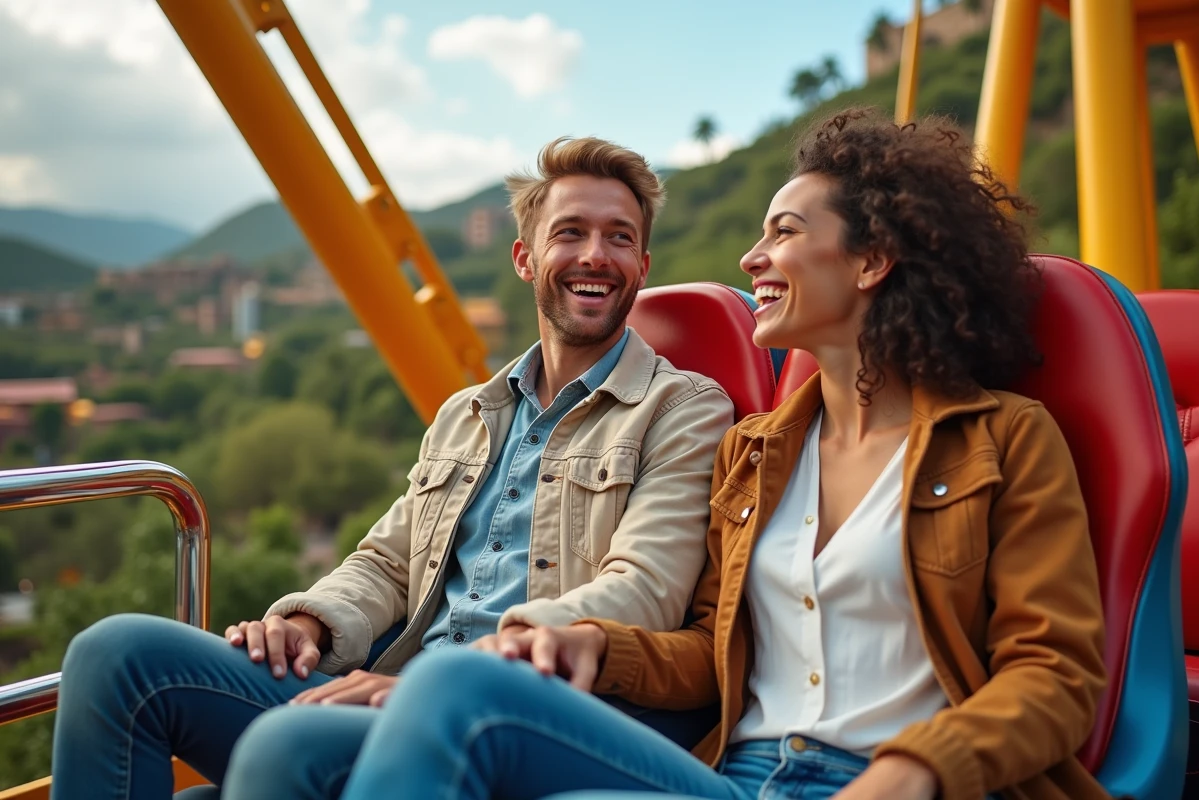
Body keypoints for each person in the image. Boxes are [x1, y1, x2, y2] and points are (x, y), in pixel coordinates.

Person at [329, 107, 1111, 800]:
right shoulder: (755, 452)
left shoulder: (1006, 439)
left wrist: (913, 770)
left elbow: (1056, 675)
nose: (751, 257)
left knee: (465, 697)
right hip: (739, 776)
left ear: (871, 261)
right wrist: (596, 644)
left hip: (911, 780)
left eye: (785, 232)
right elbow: (712, 655)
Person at [48, 135, 735, 800]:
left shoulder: (682, 409)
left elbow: (642, 589)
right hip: (397, 685)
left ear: (643, 266)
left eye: (620, 238)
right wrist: (309, 624)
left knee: (288, 745)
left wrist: (441, 687)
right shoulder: (467, 414)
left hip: (519, 712)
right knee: (116, 657)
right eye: (571, 232)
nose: (596, 255)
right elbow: (387, 564)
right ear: (525, 259)